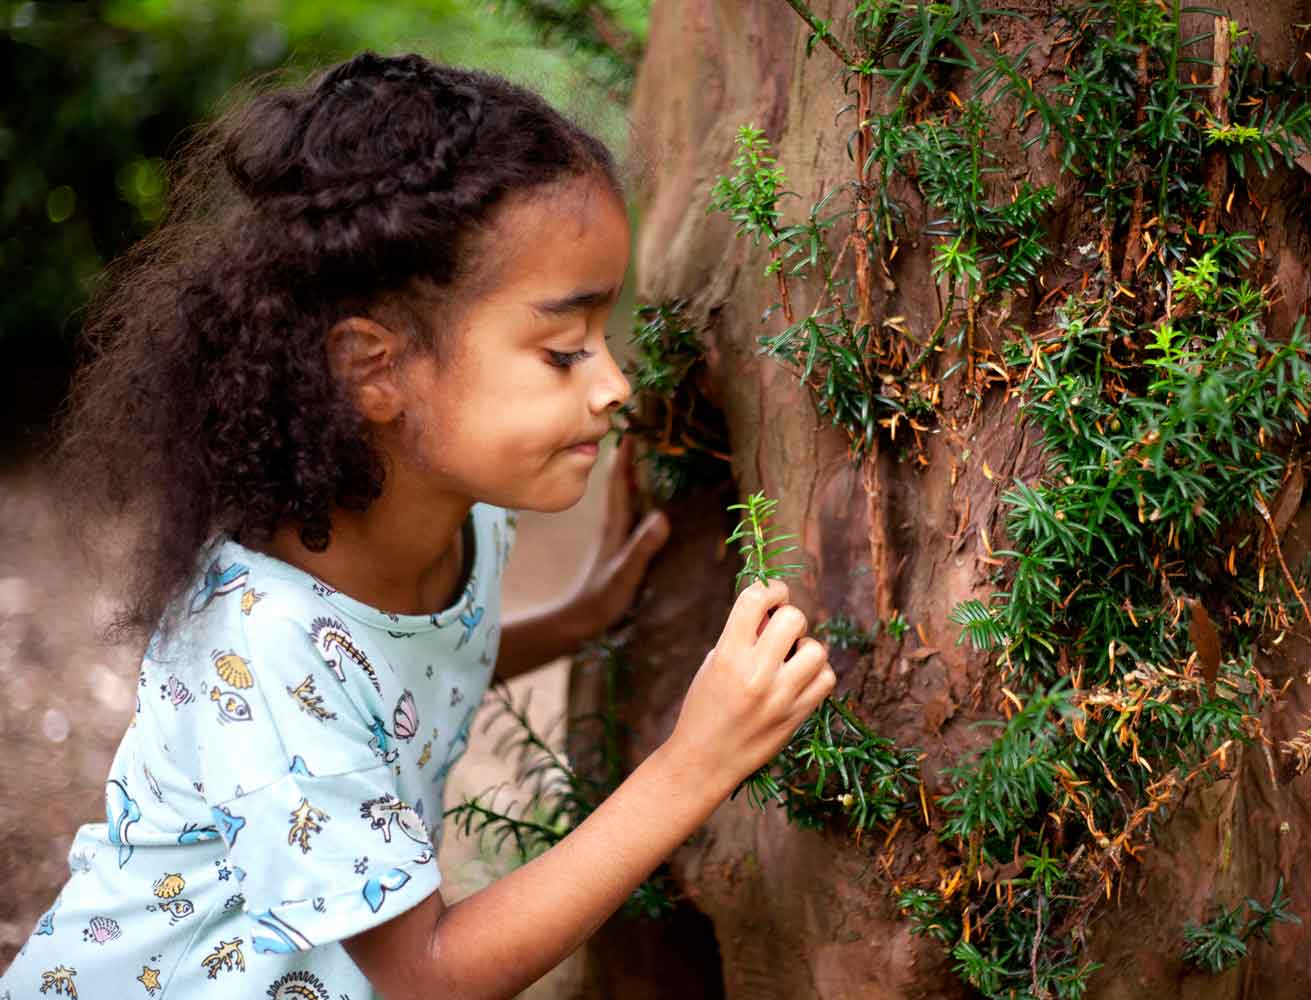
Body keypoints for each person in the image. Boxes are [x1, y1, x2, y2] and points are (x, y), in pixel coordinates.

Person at [2, 52, 833, 999]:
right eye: (564, 351)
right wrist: (697, 761)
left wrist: (574, 618)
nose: (615, 386)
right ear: (375, 370)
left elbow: (393, 680)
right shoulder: (259, 643)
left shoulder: (459, 519)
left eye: (605, 336)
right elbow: (428, 976)